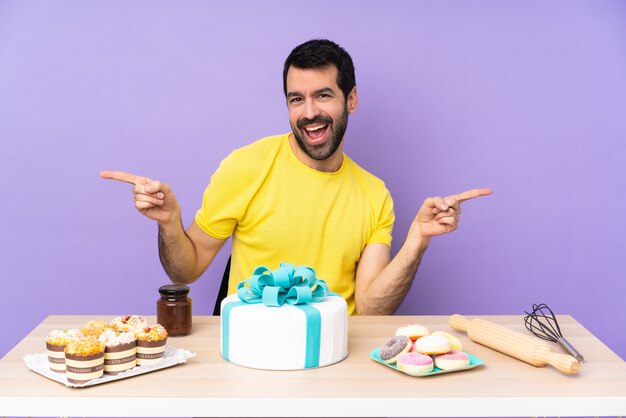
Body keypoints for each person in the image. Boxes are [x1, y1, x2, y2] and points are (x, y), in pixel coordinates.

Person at [101, 39, 491, 315]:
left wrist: (418, 240)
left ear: (350, 99)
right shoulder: (246, 166)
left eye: (323, 95)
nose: (308, 113)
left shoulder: (375, 195)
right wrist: (169, 223)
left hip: (337, 359)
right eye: (296, 99)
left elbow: (372, 309)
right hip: (252, 356)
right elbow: (185, 270)